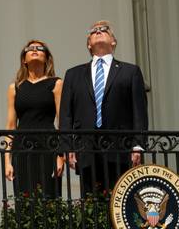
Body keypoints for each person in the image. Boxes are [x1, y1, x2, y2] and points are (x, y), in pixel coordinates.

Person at [59, 20, 148, 193]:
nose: (98, 31)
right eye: (94, 31)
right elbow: (66, 114)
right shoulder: (74, 74)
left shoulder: (130, 71)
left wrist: (138, 145)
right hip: (86, 148)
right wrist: (67, 146)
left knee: (119, 201)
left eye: (104, 30)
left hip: (120, 148)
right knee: (90, 203)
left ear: (113, 41)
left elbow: (139, 111)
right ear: (88, 44)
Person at [4, 40, 64, 198]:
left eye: (40, 48)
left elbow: (62, 122)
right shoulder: (15, 88)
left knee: (49, 198)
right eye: (30, 49)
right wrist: (7, 161)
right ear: (24, 59)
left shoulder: (56, 83)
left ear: (46, 58)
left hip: (48, 147)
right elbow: (11, 126)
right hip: (22, 148)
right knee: (24, 199)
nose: (35, 50)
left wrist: (61, 156)